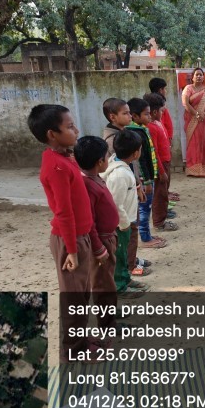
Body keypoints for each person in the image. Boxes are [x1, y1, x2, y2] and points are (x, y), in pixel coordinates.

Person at [26, 104, 94, 361]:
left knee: (83, 292)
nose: (76, 131)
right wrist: (72, 252)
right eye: (70, 127)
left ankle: (82, 339)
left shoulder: (65, 158)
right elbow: (64, 212)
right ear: (52, 134)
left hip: (79, 237)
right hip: (70, 240)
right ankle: (74, 350)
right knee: (74, 297)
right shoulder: (56, 167)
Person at [75, 136, 148, 304]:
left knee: (123, 255)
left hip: (124, 222)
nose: (109, 158)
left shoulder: (115, 170)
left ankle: (125, 279)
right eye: (106, 156)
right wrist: (124, 223)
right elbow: (116, 203)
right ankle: (120, 286)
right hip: (121, 225)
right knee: (119, 257)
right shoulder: (119, 175)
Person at [101, 97, 152, 274]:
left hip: (131, 186)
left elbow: (130, 165)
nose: (130, 116)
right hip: (124, 193)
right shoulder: (113, 140)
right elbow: (122, 167)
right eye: (126, 113)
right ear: (112, 116)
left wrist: (138, 184)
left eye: (130, 112)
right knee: (129, 231)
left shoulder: (125, 134)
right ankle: (130, 266)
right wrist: (137, 185)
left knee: (132, 230)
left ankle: (131, 259)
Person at [126, 97, 167, 249]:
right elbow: (140, 160)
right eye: (146, 114)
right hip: (144, 180)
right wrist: (147, 181)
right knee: (144, 208)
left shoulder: (142, 130)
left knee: (145, 207)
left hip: (146, 177)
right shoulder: (135, 134)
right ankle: (145, 237)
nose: (150, 117)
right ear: (135, 116)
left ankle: (147, 234)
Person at [144, 93, 178, 232]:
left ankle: (162, 217)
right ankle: (159, 223)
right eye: (161, 111)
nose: (163, 113)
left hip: (165, 162)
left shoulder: (157, 123)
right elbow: (154, 152)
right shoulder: (151, 127)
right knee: (160, 194)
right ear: (154, 112)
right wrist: (161, 171)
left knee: (163, 192)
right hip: (160, 165)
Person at [181, 67, 205, 177]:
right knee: (193, 143)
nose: (199, 76)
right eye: (197, 74)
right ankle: (193, 169)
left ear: (203, 77)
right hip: (192, 119)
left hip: (204, 120)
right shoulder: (188, 88)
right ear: (192, 77)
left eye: (201, 75)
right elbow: (185, 103)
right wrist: (196, 114)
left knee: (204, 142)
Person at [148, 77, 180, 201]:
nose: (165, 91)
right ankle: (163, 196)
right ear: (160, 90)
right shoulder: (155, 107)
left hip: (165, 141)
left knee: (166, 174)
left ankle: (165, 193)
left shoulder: (159, 103)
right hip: (162, 145)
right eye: (164, 89)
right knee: (162, 176)